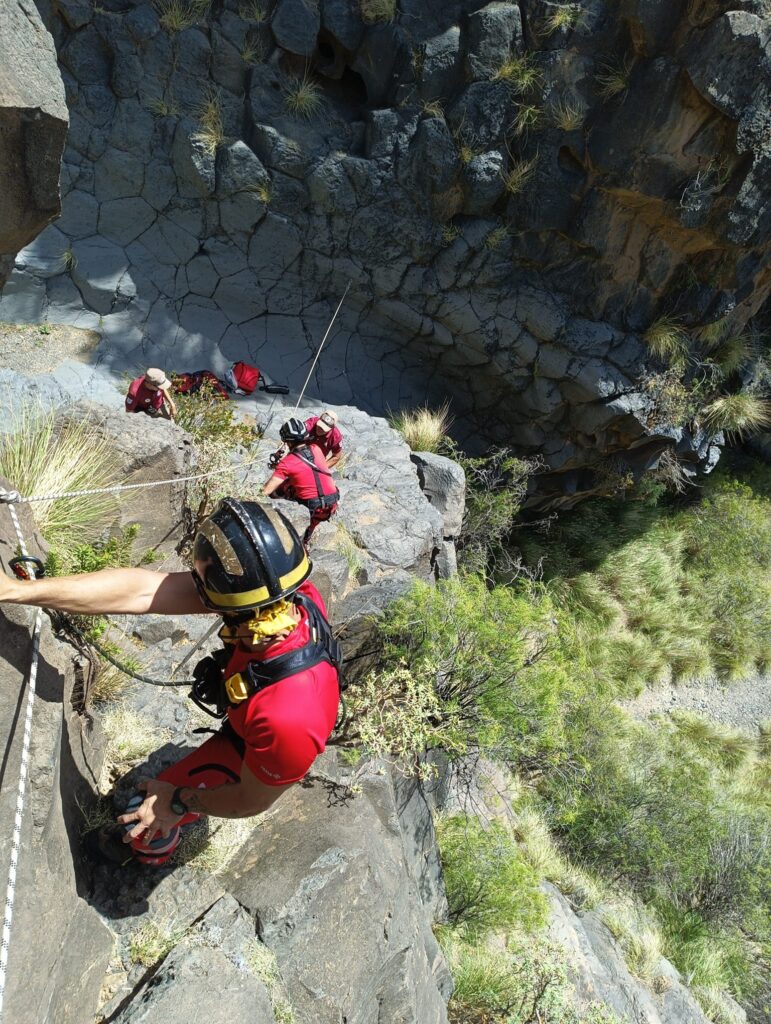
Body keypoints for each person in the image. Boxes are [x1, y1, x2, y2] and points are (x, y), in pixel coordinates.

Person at [0, 501, 341, 866]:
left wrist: (177, 800)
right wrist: (16, 591)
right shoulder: (283, 594)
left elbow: (251, 801)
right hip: (260, 713)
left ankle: (151, 854)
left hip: (259, 742)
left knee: (145, 817)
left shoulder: (288, 718)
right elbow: (141, 591)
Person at [263, 419, 340, 547]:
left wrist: (281, 466)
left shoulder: (287, 463)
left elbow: (266, 491)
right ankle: (307, 536)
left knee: (281, 489)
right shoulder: (316, 449)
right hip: (330, 505)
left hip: (312, 507)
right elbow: (307, 468)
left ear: (286, 440)